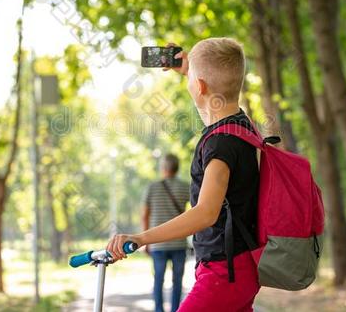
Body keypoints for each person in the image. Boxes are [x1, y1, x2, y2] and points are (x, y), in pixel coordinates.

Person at [107, 37, 261, 311]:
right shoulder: (242, 127)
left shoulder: (220, 145)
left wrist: (141, 238)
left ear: (199, 87)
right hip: (241, 265)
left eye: (192, 78)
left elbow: (205, 213)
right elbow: (214, 91)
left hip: (224, 272)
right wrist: (189, 67)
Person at [142, 153, 190, 312]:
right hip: (179, 242)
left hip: (157, 242)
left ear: (163, 168)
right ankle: (176, 309)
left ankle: (159, 310)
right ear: (177, 168)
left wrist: (146, 241)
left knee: (158, 280)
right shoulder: (185, 187)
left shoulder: (152, 187)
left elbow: (145, 215)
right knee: (178, 281)